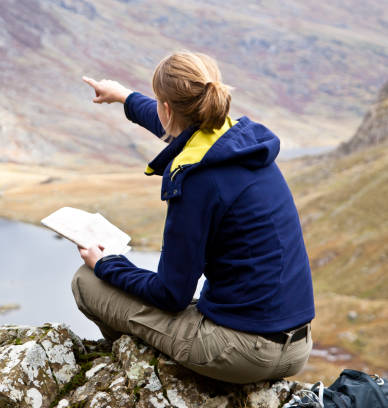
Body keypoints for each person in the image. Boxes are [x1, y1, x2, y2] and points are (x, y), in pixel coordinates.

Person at [73, 50, 314, 384]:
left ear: (168, 107)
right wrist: (124, 97)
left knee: (87, 283)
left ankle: (133, 369)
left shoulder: (198, 180)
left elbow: (171, 295)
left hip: (245, 354)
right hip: (296, 346)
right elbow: (177, 127)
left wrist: (105, 263)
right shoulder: (240, 143)